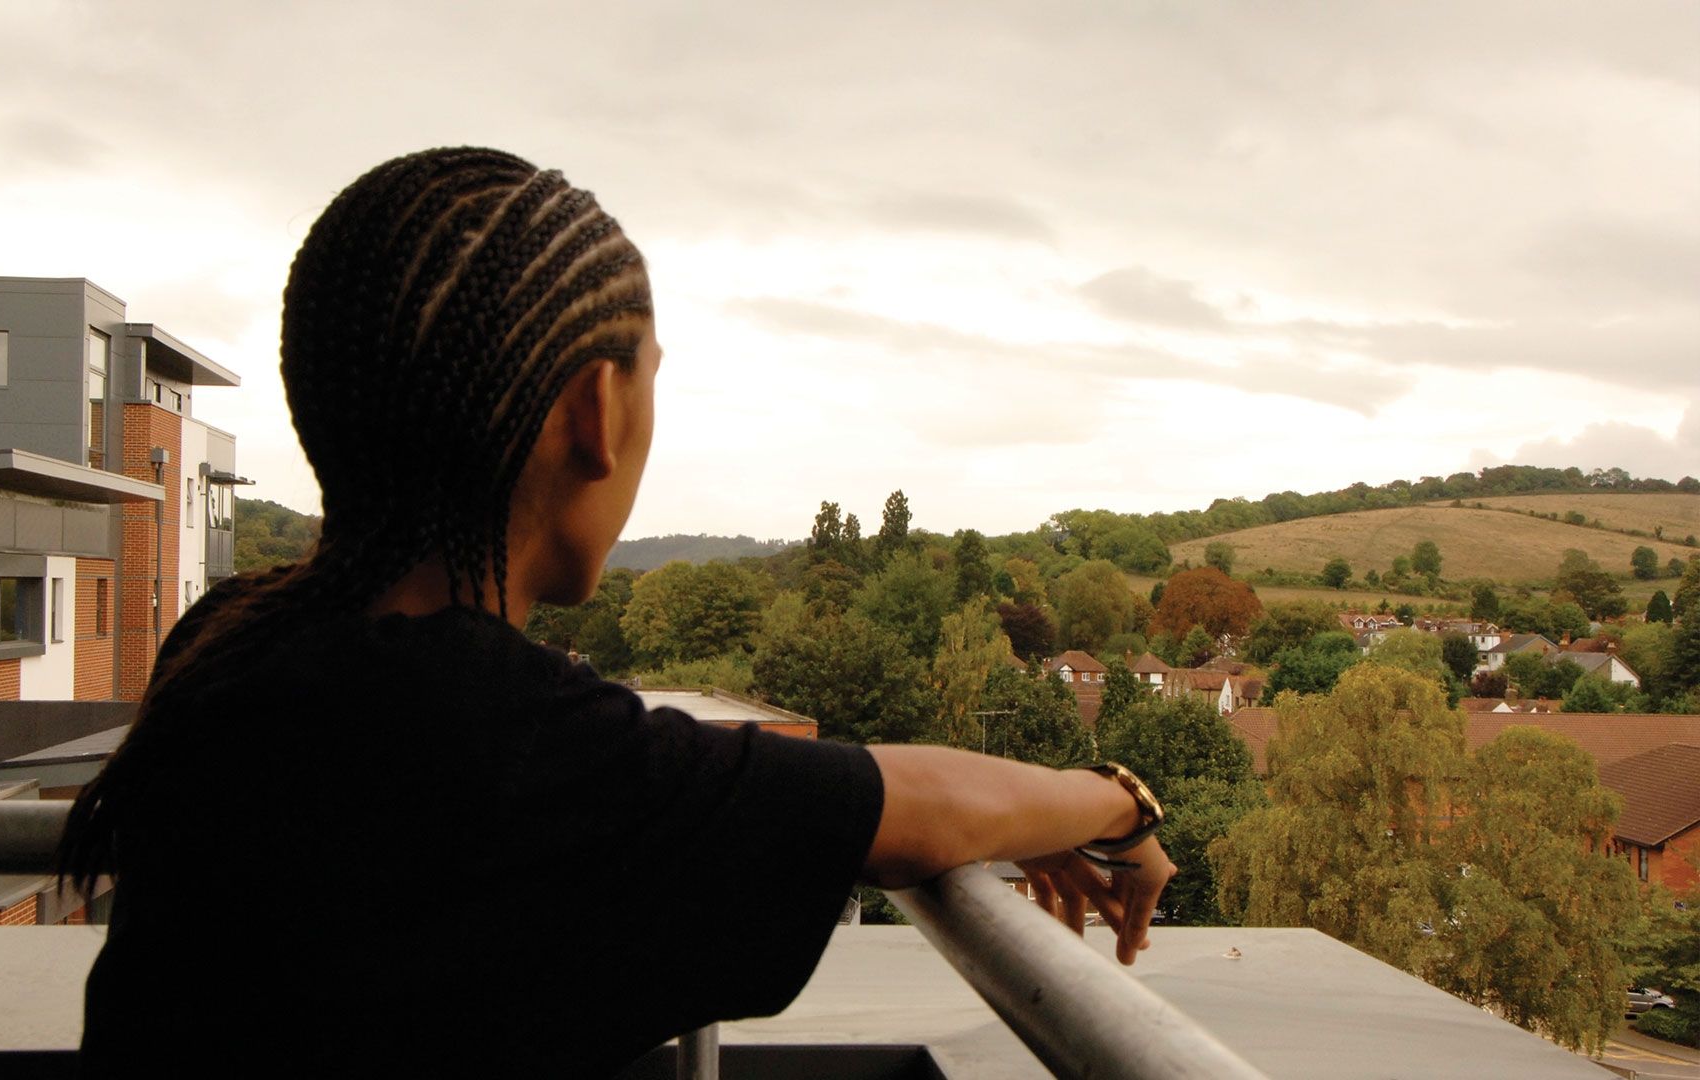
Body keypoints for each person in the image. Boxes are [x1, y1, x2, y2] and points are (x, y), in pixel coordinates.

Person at [57, 147, 1173, 1077]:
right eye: (651, 380)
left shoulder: (231, 641)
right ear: (596, 409)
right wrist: (1114, 799)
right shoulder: (500, 741)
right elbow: (917, 807)